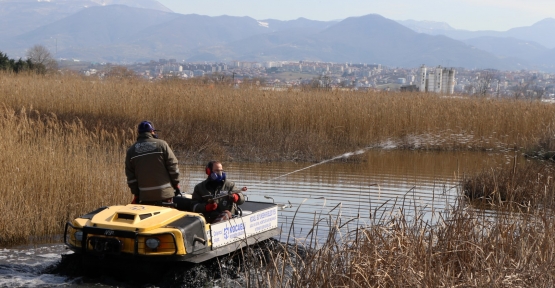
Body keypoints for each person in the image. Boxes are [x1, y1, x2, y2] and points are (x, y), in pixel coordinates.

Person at [125, 121, 180, 206]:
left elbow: (131, 177)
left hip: (145, 197)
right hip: (165, 195)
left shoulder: (131, 151)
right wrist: (176, 184)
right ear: (152, 132)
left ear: (139, 133)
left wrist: (136, 194)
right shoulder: (162, 145)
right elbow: (173, 167)